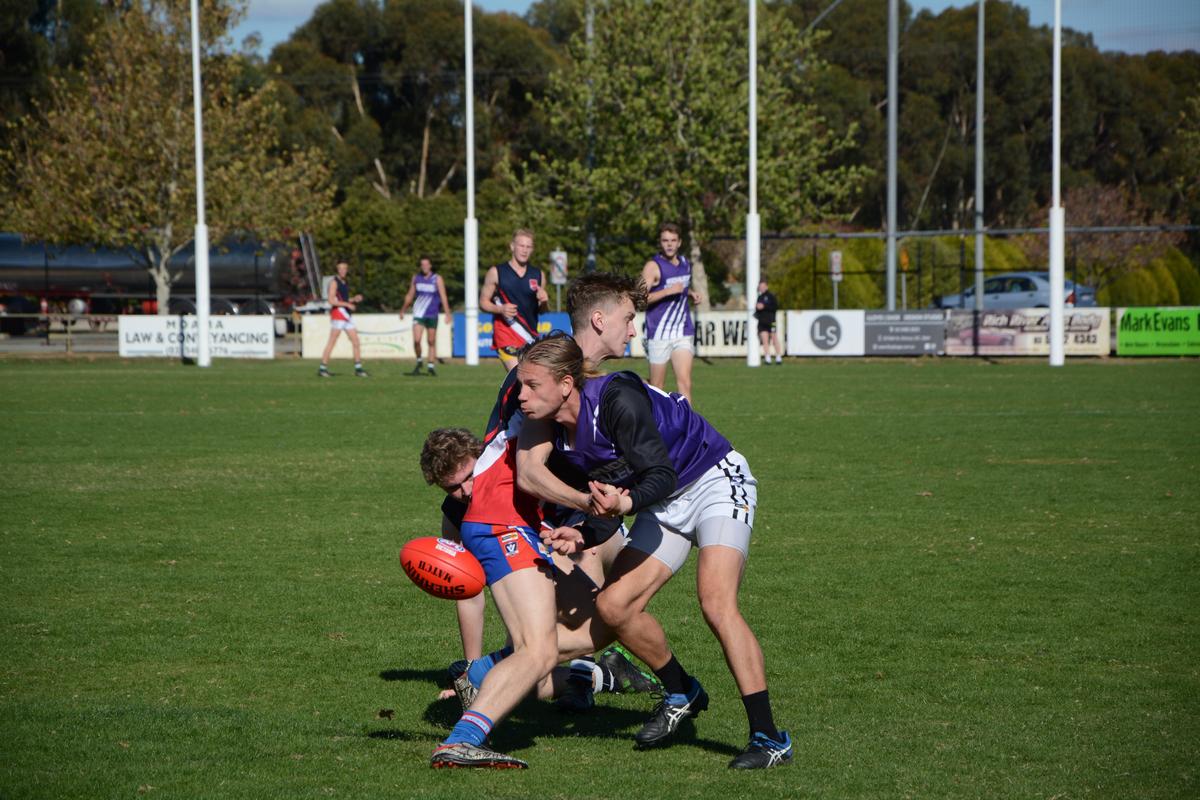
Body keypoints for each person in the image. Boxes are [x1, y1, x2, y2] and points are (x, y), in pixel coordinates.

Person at [514, 333, 792, 770]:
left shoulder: (617, 400)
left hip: (713, 480)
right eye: (521, 385)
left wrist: (624, 504)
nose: (521, 396)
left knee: (716, 603)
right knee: (614, 606)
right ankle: (682, 690)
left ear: (566, 384)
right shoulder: (561, 439)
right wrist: (584, 534)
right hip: (662, 503)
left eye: (532, 385)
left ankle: (769, 738)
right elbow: (610, 494)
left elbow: (659, 474)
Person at [642, 222, 699, 402]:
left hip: (683, 330)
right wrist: (668, 291)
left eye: (673, 240)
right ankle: (639, 385)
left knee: (685, 383)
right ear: (660, 243)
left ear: (679, 242)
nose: (669, 244)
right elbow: (640, 298)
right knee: (657, 387)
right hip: (659, 332)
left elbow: (681, 287)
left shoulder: (685, 264)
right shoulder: (653, 266)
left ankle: (687, 420)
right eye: (665, 240)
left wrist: (691, 293)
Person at [479, 229, 548, 371]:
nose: (525, 250)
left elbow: (542, 311)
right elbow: (483, 302)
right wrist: (500, 309)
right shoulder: (496, 272)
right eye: (521, 246)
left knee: (530, 379)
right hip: (505, 333)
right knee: (518, 375)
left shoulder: (538, 275)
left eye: (528, 247)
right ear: (512, 246)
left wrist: (545, 301)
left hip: (529, 336)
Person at [399, 256, 453, 377]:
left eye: (426, 264)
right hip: (418, 313)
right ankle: (419, 361)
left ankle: (430, 366)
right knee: (417, 340)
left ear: (430, 266)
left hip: (432, 313)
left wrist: (447, 313)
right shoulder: (416, 278)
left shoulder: (437, 278)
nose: (424, 267)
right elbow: (410, 295)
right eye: (422, 264)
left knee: (431, 341)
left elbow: (443, 296)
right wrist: (403, 309)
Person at [318, 260, 368, 378]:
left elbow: (343, 299)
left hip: (346, 315)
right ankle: (322, 368)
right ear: (337, 270)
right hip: (338, 314)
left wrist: (353, 299)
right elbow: (331, 300)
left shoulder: (344, 282)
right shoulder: (334, 282)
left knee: (356, 341)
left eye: (345, 268)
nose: (343, 271)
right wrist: (347, 305)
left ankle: (358, 368)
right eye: (340, 269)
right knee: (332, 341)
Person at [755, 280, 782, 364]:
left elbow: (775, 307)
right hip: (762, 322)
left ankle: (778, 357)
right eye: (760, 287)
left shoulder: (771, 296)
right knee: (764, 340)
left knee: (774, 338)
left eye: (763, 286)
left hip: (772, 321)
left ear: (766, 287)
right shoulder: (759, 297)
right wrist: (757, 308)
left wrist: (764, 306)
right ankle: (767, 358)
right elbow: (758, 309)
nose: (761, 288)